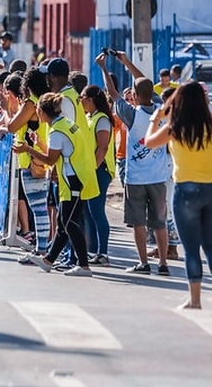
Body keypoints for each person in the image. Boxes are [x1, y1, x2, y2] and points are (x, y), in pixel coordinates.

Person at [144, 82, 212, 310]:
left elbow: (149, 142)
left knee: (191, 248)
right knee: (211, 245)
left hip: (186, 190)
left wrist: (157, 116)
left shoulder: (174, 127)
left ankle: (195, 299)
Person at [97, 52, 171, 275]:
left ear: (136, 96)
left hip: (136, 178)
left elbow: (112, 93)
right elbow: (145, 84)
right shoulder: (161, 110)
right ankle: (163, 263)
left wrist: (103, 67)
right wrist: (127, 63)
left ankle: (144, 263)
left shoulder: (130, 114)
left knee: (138, 222)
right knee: (159, 222)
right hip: (158, 177)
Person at [13, 93, 98, 277]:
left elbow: (51, 159)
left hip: (73, 178)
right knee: (63, 222)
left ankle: (84, 265)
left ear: (42, 112)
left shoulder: (57, 131)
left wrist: (28, 149)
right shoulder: (65, 123)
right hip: (77, 175)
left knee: (69, 223)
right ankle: (48, 260)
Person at [80, 85, 115, 266]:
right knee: (88, 211)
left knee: (97, 211)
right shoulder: (89, 117)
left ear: (91, 99)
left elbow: (103, 147)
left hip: (99, 170)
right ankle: (93, 250)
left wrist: (93, 168)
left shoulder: (102, 120)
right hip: (90, 169)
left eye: (83, 97)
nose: (80, 100)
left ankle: (103, 253)